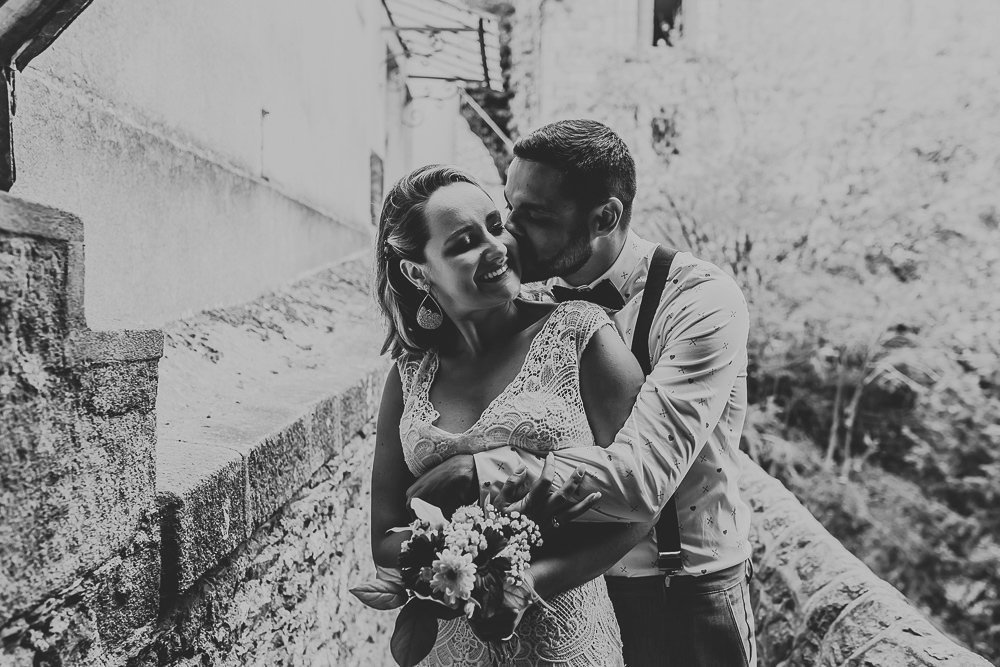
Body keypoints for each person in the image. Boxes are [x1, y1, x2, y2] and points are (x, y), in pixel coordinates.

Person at [406, 120, 757, 666]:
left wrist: (492, 471)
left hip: (682, 591)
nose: (510, 235)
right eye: (508, 210)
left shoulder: (703, 302)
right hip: (570, 593)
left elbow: (643, 478)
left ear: (605, 218)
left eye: (537, 218)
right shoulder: (525, 295)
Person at [369, 164, 656, 665]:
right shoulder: (408, 374)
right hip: (453, 650)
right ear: (418, 271)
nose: (495, 247)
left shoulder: (581, 335)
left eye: (494, 227)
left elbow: (640, 502)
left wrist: (526, 580)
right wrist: (460, 557)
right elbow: (386, 535)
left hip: (566, 642)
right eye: (463, 243)